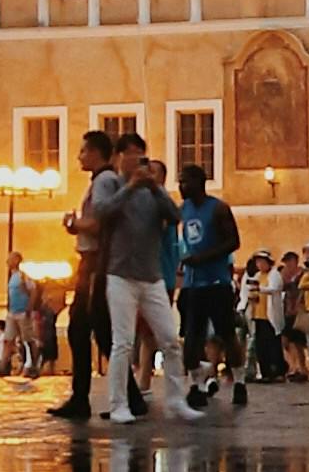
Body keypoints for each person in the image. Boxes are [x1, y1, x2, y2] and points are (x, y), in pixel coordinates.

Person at [99, 138, 184, 421]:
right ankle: (118, 405)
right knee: (122, 342)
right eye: (133, 156)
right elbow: (102, 212)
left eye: (142, 157)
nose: (138, 162)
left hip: (152, 276)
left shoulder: (153, 194)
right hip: (120, 275)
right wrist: (131, 187)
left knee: (170, 340)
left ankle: (175, 400)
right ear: (120, 157)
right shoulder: (115, 187)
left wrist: (155, 188)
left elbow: (175, 216)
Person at [173, 154, 250, 408]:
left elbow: (233, 242)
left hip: (217, 282)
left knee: (227, 334)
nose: (181, 186)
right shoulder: (183, 210)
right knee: (192, 337)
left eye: (185, 182)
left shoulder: (218, 208)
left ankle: (239, 381)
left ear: (199, 182)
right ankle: (195, 384)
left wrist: (203, 258)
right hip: (193, 284)